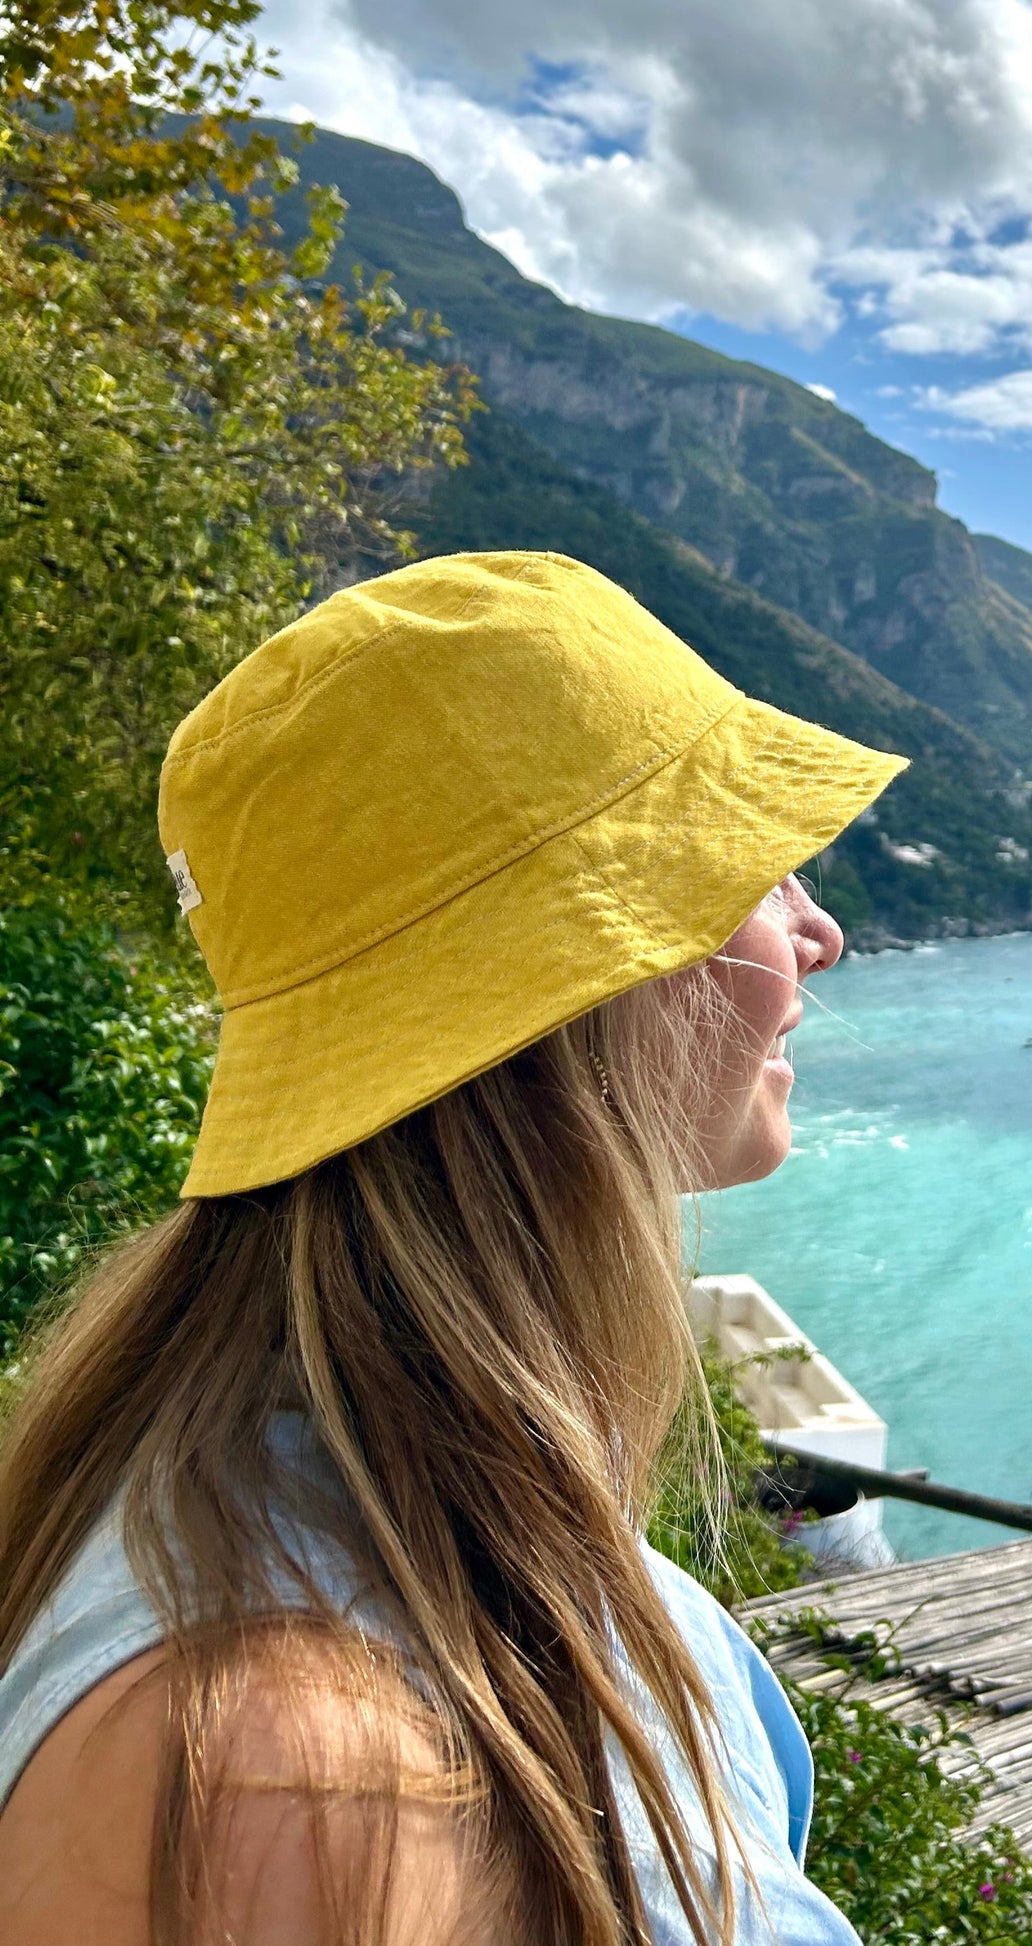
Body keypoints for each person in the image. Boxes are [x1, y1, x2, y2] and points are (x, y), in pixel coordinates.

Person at [0, 552, 907, 1945]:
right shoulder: (298, 1780)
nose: (817, 928)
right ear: (578, 975)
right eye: (745, 860)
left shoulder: (400, 1535)